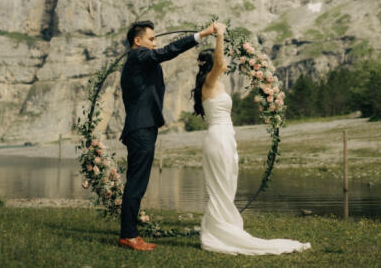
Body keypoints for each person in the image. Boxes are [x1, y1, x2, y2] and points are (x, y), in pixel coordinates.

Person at [192, 22, 311, 255]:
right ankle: (218, 232)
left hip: (226, 137)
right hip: (217, 138)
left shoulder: (215, 85)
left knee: (227, 185)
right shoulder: (210, 82)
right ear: (210, 65)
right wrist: (220, 36)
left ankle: (222, 227)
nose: (224, 66)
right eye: (217, 62)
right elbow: (221, 62)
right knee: (220, 188)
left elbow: (220, 65)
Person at [118, 20, 216, 252]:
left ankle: (129, 233)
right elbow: (167, 52)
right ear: (137, 41)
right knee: (136, 184)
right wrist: (200, 35)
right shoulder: (138, 56)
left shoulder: (139, 60)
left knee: (136, 182)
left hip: (142, 127)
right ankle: (129, 236)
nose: (155, 43)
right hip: (141, 128)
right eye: (151, 39)